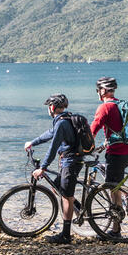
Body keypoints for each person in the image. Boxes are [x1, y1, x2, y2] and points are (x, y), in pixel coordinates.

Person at [24, 94, 83, 244]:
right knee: (58, 187)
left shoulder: (61, 123)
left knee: (66, 197)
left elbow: (53, 146)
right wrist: (33, 142)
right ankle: (79, 208)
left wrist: (43, 168)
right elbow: (50, 134)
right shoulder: (65, 119)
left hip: (70, 161)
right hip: (72, 159)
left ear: (52, 108)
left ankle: (66, 235)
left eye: (48, 107)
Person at [90, 76, 128, 238]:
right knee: (117, 184)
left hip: (116, 154)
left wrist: (82, 147)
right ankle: (127, 196)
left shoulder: (104, 108)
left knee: (112, 189)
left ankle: (116, 230)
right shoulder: (120, 105)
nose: (97, 93)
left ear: (103, 91)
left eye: (98, 90)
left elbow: (91, 132)